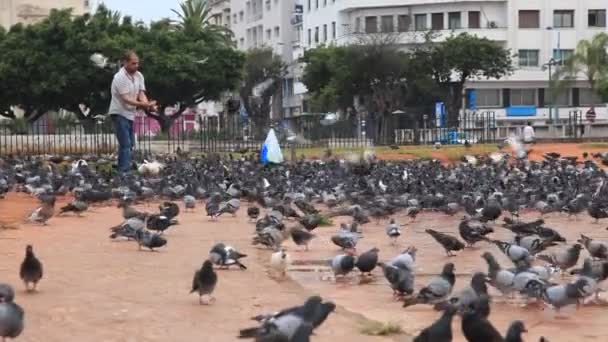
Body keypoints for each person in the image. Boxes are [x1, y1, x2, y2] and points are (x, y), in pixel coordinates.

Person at [108, 50, 157, 174]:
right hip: (119, 112)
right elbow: (126, 99)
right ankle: (123, 171)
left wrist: (148, 106)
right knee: (126, 143)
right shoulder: (119, 77)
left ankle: (122, 167)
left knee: (130, 143)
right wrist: (144, 104)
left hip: (130, 114)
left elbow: (141, 93)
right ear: (125, 62)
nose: (136, 66)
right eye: (133, 63)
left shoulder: (139, 76)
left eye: (137, 63)